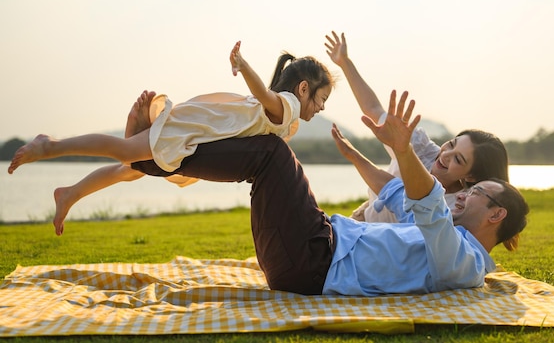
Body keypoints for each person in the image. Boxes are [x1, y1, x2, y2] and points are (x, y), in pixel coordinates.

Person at [130, 90, 530, 296]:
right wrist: (354, 154)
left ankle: (150, 155)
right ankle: (152, 153)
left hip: (312, 261)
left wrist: (405, 151)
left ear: (495, 215)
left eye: (476, 193)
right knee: (269, 151)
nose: (463, 196)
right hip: (314, 246)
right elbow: (397, 195)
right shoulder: (448, 241)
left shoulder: (463, 262)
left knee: (272, 153)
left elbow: (431, 213)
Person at [8, 41, 335, 235]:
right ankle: (49, 145)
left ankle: (70, 193)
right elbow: (263, 93)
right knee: (125, 153)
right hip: (191, 130)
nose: (321, 107)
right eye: (320, 99)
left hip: (197, 130)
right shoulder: (290, 105)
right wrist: (243, 65)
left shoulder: (289, 119)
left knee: (129, 168)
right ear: (302, 88)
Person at [324, 31, 509, 223]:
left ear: (471, 175)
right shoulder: (421, 149)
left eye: (458, 159)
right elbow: (372, 108)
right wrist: (345, 62)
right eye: (452, 144)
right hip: (362, 221)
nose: (446, 155)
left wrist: (353, 155)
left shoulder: (460, 205)